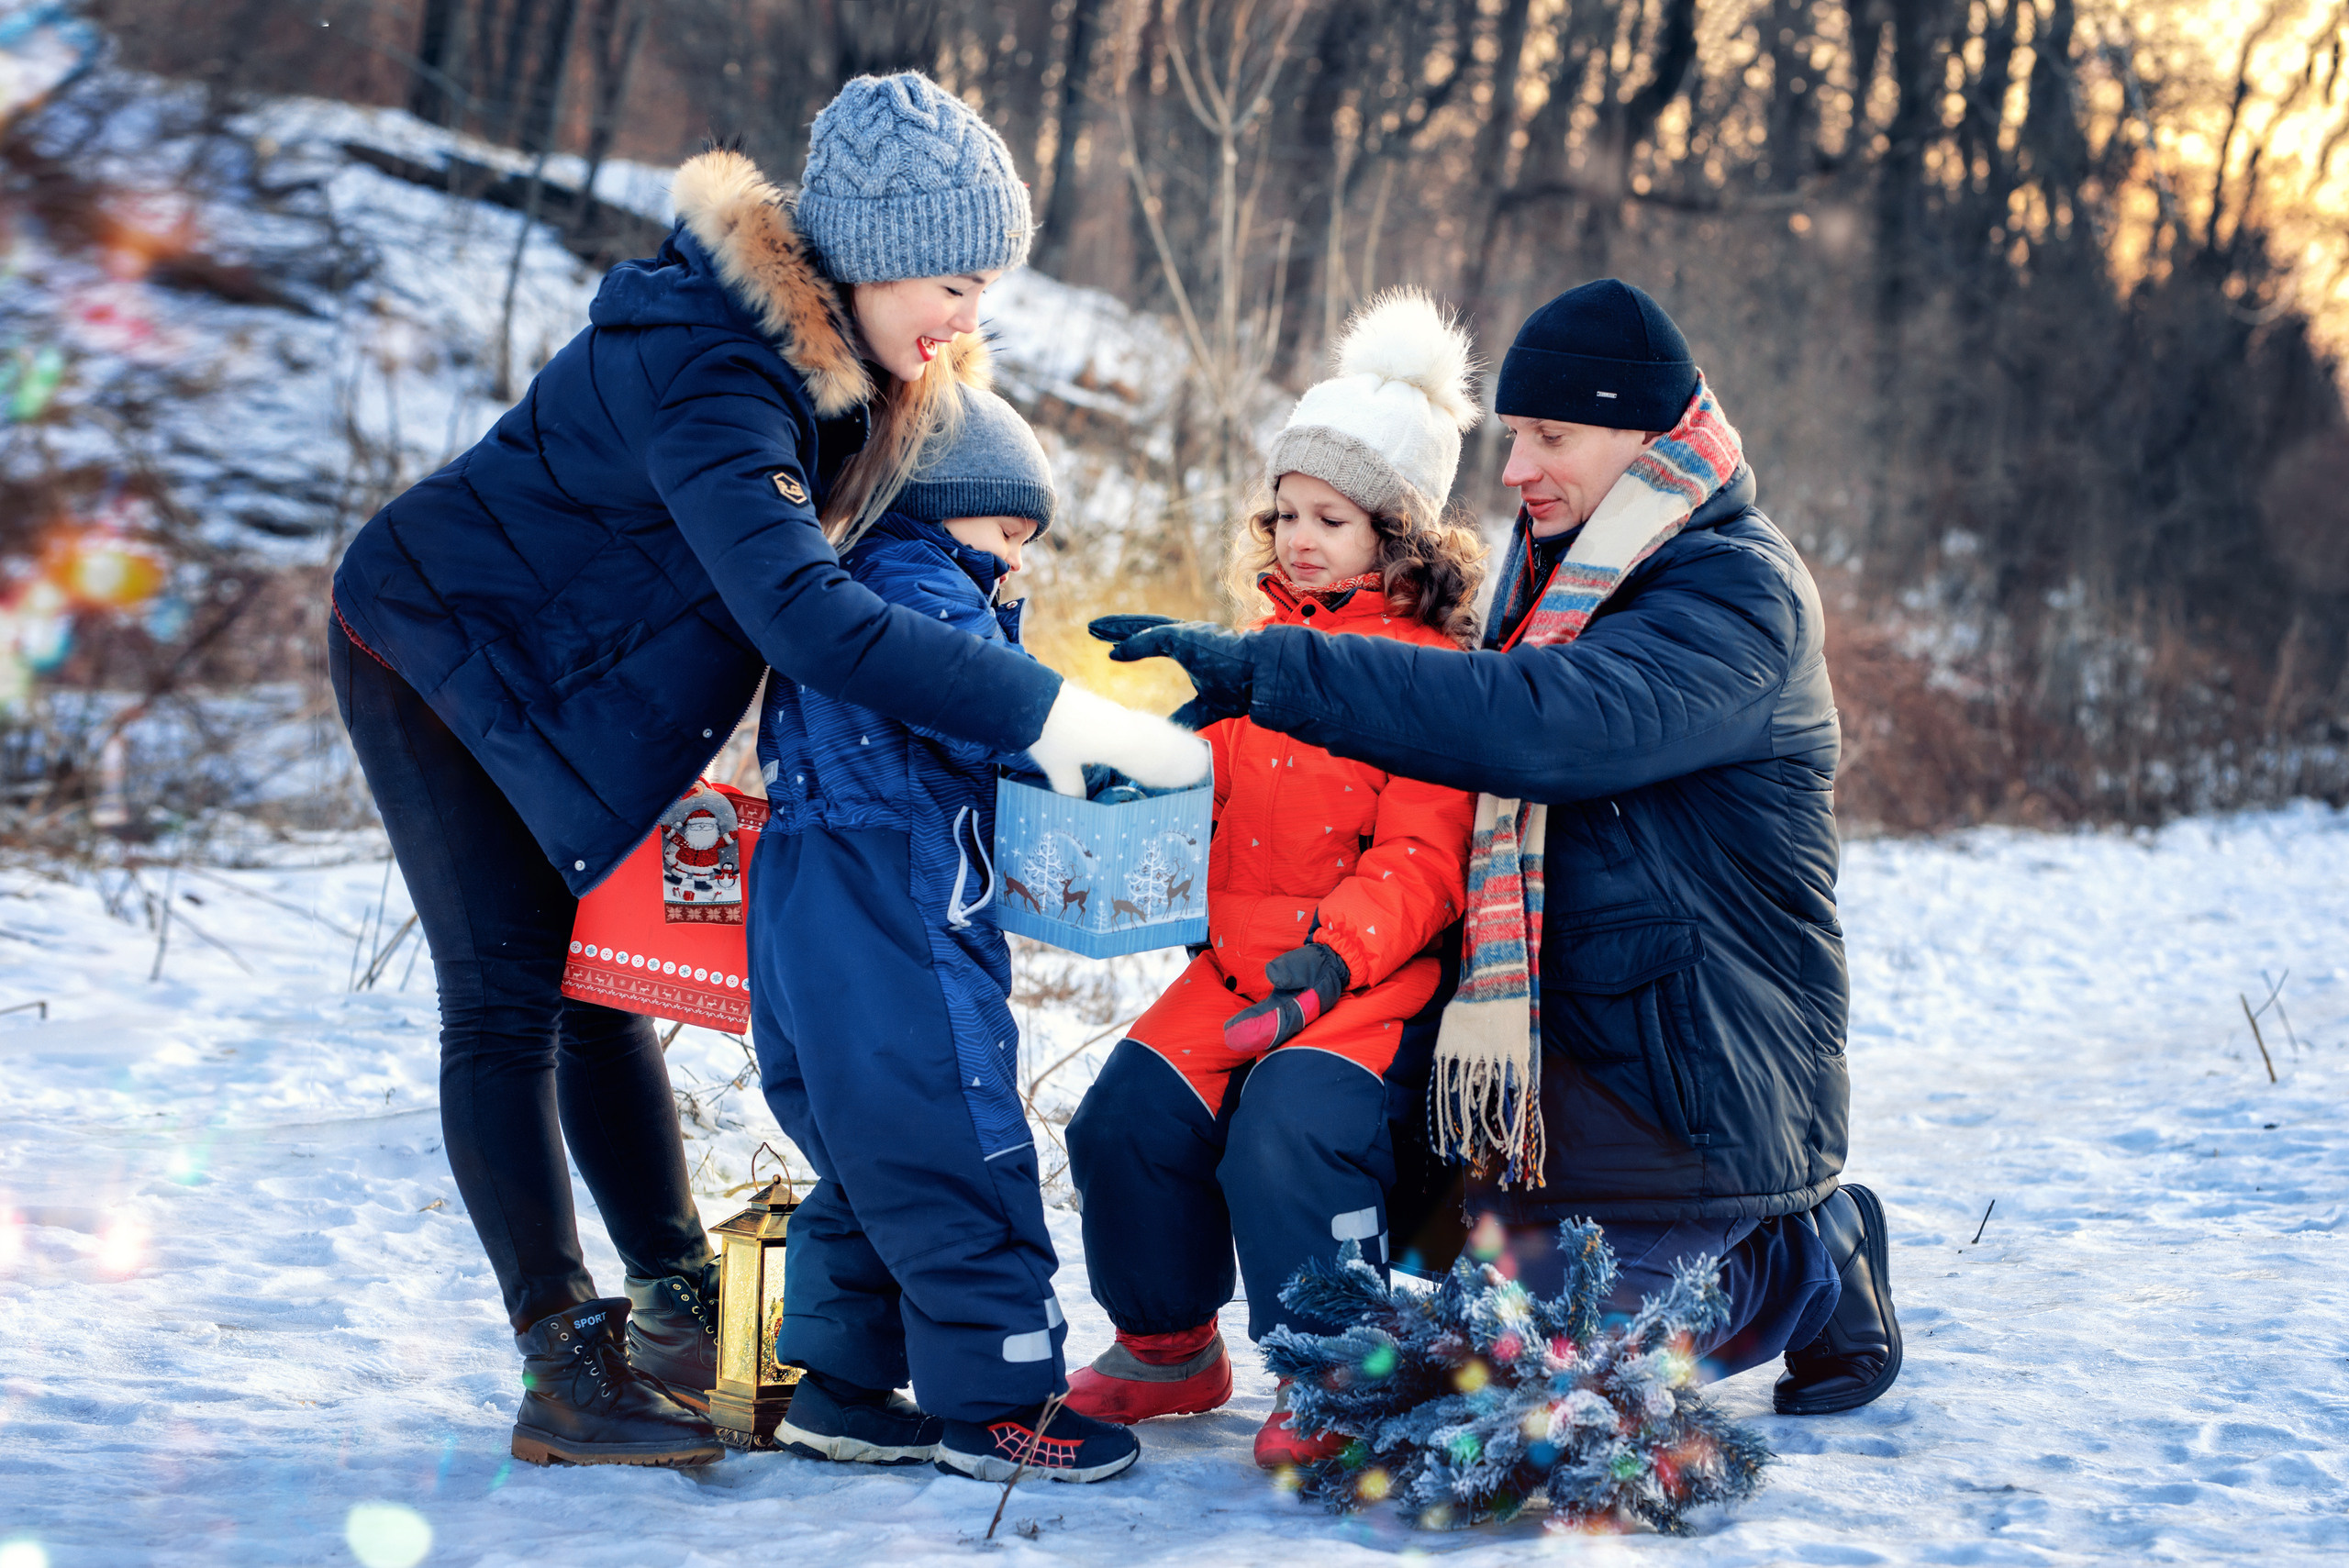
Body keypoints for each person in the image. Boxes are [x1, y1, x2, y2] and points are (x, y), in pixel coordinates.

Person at [328, 72, 1205, 1469]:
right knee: (507, 993)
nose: (972, 321)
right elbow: (807, 614)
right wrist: (1052, 713)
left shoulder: (855, 373)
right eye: (958, 284)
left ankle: (679, 1305)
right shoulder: (713, 364)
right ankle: (565, 1356)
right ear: (870, 251)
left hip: (578, 671)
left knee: (595, 986)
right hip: (432, 645)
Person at [1095, 279, 1901, 1417]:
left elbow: (1539, 719)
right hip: (1536, 1071)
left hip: (1681, 1086)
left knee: (1550, 1387)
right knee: (1445, 1350)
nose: (1514, 467)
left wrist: (1275, 674)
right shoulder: (1565, 560)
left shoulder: (1735, 595)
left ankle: (1811, 1248)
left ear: (1643, 433)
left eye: (1549, 436)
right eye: (1514, 432)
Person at [1062, 292, 1486, 1465]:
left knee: (1284, 1136)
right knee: (1122, 1120)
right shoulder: (1255, 666)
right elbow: (1202, 801)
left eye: (1333, 518)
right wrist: (1127, 800)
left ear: (1398, 537)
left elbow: (1420, 858)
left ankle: (1335, 1370)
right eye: (1288, 511)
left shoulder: (1430, 678)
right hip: (1238, 966)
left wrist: (1334, 956)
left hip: (1363, 981)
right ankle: (1165, 1345)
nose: (1300, 537)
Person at [751, 378, 1141, 1485]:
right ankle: (1001, 1401)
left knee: (868, 1154)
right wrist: (1115, 765)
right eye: (1007, 532)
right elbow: (994, 705)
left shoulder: (832, 587)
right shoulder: (916, 580)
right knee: (962, 1145)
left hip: (802, 904)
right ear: (937, 500)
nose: (1017, 562)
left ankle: (841, 1388)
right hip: (897, 913)